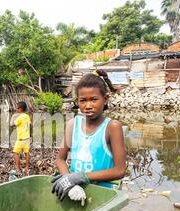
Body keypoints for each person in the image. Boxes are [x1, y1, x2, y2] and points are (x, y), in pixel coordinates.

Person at [52, 70, 126, 203]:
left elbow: (119, 170)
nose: (88, 106)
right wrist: (69, 180)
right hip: (75, 193)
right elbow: (60, 160)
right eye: (82, 100)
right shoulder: (72, 124)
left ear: (105, 99)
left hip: (103, 197)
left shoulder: (112, 127)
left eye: (94, 99)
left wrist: (83, 176)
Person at [10, 101, 31, 179]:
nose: (16, 109)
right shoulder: (27, 116)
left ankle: (18, 169)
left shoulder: (20, 117)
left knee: (15, 153)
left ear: (21, 109)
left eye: (17, 108)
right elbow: (29, 126)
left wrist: (12, 117)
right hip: (27, 138)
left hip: (21, 139)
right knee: (27, 153)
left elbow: (11, 125)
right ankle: (27, 168)